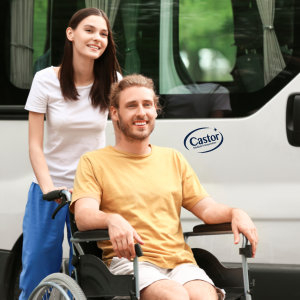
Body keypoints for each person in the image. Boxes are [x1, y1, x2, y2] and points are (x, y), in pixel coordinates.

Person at [71, 74, 258, 300]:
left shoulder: (173, 159)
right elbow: (83, 215)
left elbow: (206, 209)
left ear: (155, 110)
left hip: (180, 261)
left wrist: (235, 213)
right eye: (131, 106)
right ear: (115, 113)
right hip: (132, 262)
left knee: (204, 297)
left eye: (147, 105)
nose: (141, 112)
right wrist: (112, 219)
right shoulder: (94, 161)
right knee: (175, 296)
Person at [19, 8, 121, 299]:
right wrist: (50, 188)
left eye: (103, 34)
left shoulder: (113, 78)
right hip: (49, 191)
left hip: (92, 192)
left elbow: (120, 138)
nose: (97, 38)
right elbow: (35, 144)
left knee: (97, 276)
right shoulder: (45, 80)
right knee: (37, 271)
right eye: (89, 30)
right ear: (70, 33)